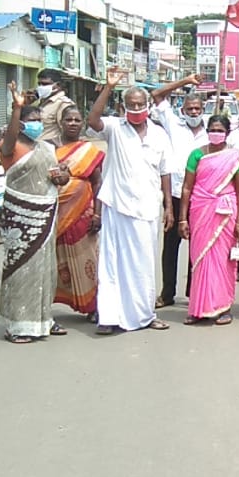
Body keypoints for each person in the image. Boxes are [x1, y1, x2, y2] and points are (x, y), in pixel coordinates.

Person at [86, 71, 174, 335]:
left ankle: (145, 315)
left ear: (147, 105)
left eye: (140, 104)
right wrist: (109, 87)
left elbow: (165, 172)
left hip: (147, 208)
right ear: (123, 107)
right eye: (131, 105)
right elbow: (92, 120)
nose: (136, 108)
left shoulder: (159, 135)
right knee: (112, 263)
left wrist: (169, 206)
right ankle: (110, 316)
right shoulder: (114, 127)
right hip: (116, 206)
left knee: (143, 265)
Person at [0, 84, 70, 343]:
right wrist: (17, 109)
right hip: (21, 217)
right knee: (21, 269)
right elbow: (10, 137)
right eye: (32, 120)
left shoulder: (47, 147)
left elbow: (61, 175)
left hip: (46, 215)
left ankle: (42, 320)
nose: (37, 123)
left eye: (40, 119)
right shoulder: (11, 147)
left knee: (44, 269)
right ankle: (18, 324)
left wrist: (63, 176)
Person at [178, 115, 239, 326]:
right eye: (212, 129)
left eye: (220, 129)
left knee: (222, 260)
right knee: (199, 259)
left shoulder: (236, 157)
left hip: (226, 213)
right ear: (207, 130)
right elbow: (187, 188)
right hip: (200, 210)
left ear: (227, 132)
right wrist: (182, 219)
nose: (216, 133)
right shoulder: (197, 155)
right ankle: (198, 308)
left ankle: (223, 307)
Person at [151, 75, 209, 308]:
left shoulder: (212, 132)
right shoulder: (173, 124)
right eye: (189, 109)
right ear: (182, 110)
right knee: (171, 247)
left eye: (197, 109)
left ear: (203, 109)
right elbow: (156, 95)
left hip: (201, 198)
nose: (193, 113)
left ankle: (194, 292)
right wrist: (185, 80)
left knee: (198, 247)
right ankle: (167, 293)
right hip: (175, 195)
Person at [52, 105, 104, 320]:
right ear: (61, 122)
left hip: (83, 213)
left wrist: (97, 214)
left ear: (82, 123)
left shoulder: (88, 151)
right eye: (69, 120)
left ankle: (93, 306)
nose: (73, 123)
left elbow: (98, 182)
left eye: (77, 120)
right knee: (55, 261)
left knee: (88, 258)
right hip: (55, 212)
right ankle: (46, 309)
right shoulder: (48, 148)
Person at [35, 68, 75, 142]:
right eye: (39, 84)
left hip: (53, 150)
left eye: (45, 84)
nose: (41, 87)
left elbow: (68, 133)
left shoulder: (63, 104)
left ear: (58, 85)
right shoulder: (42, 102)